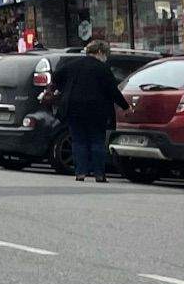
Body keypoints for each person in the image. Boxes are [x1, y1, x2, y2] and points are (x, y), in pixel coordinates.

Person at [51, 38, 128, 183]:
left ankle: (80, 173)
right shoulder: (102, 68)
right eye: (106, 54)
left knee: (78, 140)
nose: (106, 57)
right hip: (96, 109)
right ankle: (99, 174)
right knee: (97, 141)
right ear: (100, 52)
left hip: (74, 108)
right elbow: (113, 90)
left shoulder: (72, 65)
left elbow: (56, 77)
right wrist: (125, 106)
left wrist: (65, 90)